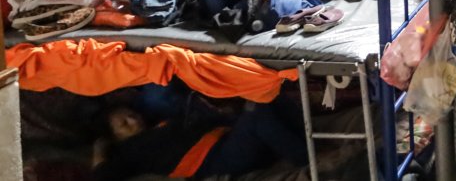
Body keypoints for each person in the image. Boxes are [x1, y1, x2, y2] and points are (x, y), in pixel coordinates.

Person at [92, 98, 308, 181]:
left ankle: (305, 139)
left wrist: (226, 115)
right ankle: (306, 159)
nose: (133, 120)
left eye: (131, 114)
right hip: (217, 160)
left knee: (268, 97)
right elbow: (102, 176)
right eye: (124, 124)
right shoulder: (129, 153)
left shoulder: (160, 124)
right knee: (257, 114)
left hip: (227, 138)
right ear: (116, 137)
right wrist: (99, 150)